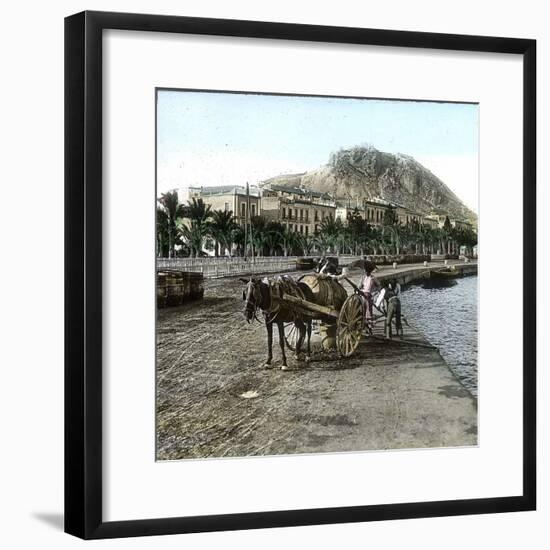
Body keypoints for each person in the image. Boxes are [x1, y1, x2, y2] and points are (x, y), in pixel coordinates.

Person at [359, 261, 380, 326]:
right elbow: (359, 286)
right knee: (362, 309)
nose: (365, 272)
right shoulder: (363, 277)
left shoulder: (373, 278)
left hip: (368, 295)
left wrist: (375, 293)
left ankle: (369, 325)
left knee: (369, 311)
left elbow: (379, 286)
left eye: (367, 271)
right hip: (362, 295)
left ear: (369, 271)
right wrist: (360, 286)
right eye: (365, 271)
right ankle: (363, 323)